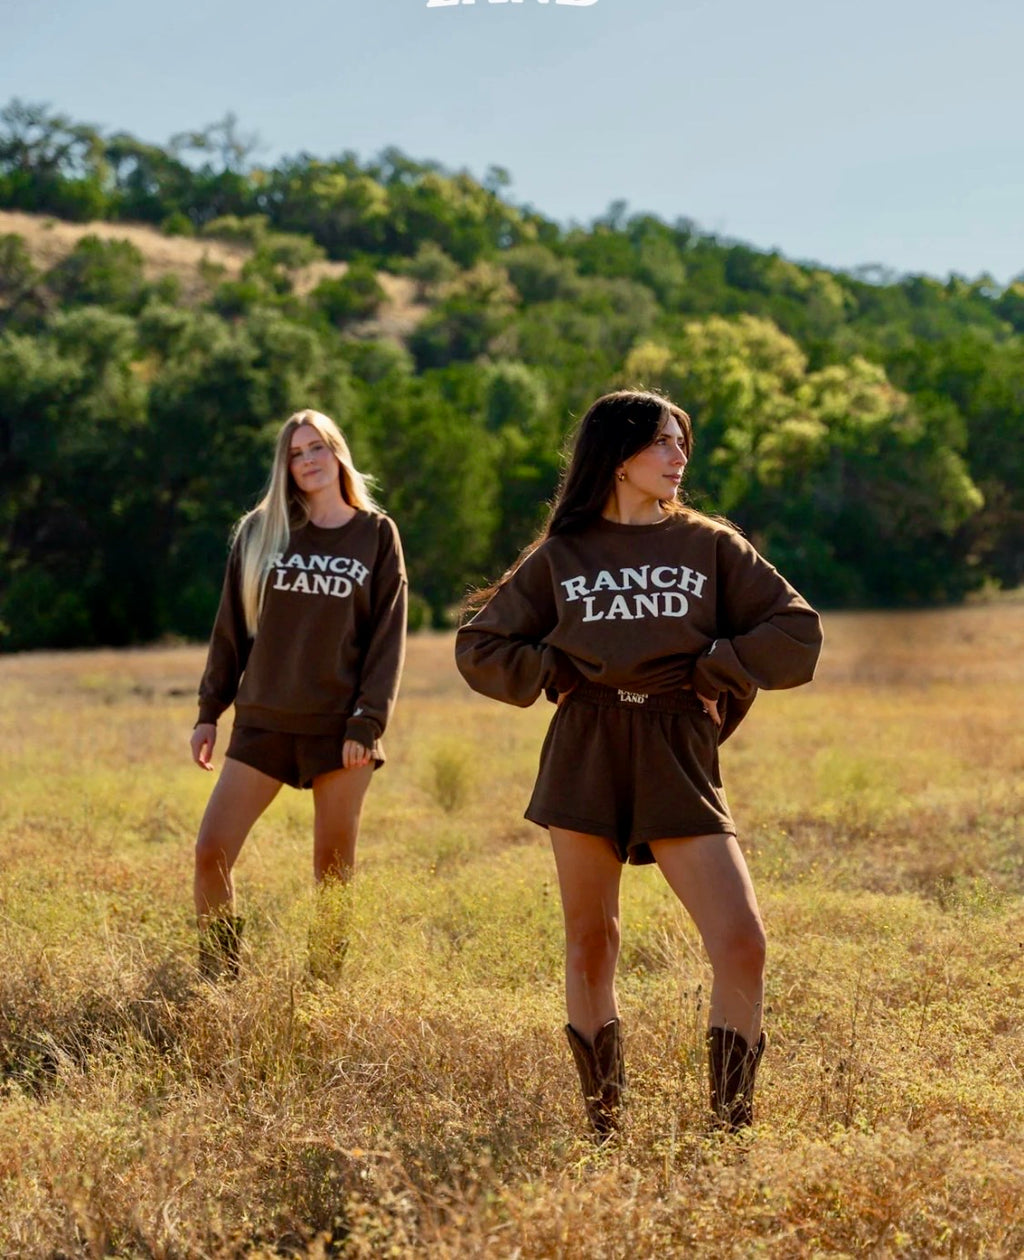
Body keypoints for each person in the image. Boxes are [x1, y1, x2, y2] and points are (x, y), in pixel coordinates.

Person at [455, 388, 822, 1139]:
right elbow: (479, 646)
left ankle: (730, 1129)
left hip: (674, 747)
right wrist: (553, 666)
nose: (678, 458)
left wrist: (719, 663)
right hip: (586, 748)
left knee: (742, 940)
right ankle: (604, 1127)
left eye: (682, 443)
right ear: (618, 458)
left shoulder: (710, 545)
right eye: (662, 443)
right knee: (593, 940)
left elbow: (797, 633)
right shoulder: (564, 553)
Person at [190, 408, 407, 979]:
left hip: (341, 730)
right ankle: (221, 979)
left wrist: (368, 723)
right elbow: (230, 628)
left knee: (332, 876)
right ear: (284, 465)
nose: (308, 460)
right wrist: (210, 710)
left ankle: (322, 993)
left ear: (338, 453)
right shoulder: (261, 532)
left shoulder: (377, 535)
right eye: (295, 452)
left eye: (317, 448)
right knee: (211, 851)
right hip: (263, 721)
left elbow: (388, 637)